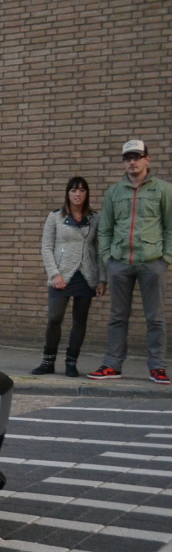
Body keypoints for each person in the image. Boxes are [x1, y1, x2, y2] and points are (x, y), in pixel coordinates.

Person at [90, 140, 172, 383]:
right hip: (120, 263)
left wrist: (165, 259)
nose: (132, 162)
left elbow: (170, 227)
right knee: (117, 317)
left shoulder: (163, 190)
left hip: (152, 263)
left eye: (137, 156)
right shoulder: (114, 192)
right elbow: (105, 229)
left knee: (155, 318)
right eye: (127, 158)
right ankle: (112, 365)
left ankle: (157, 367)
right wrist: (108, 259)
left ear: (148, 159)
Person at [32, 178, 106, 377]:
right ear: (68, 193)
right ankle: (47, 362)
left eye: (82, 190)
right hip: (61, 274)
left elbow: (99, 250)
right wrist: (54, 274)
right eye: (73, 190)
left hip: (86, 275)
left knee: (79, 321)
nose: (77, 194)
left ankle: (71, 363)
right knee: (55, 318)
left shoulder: (95, 218)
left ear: (86, 194)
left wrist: (102, 279)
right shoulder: (55, 217)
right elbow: (46, 247)